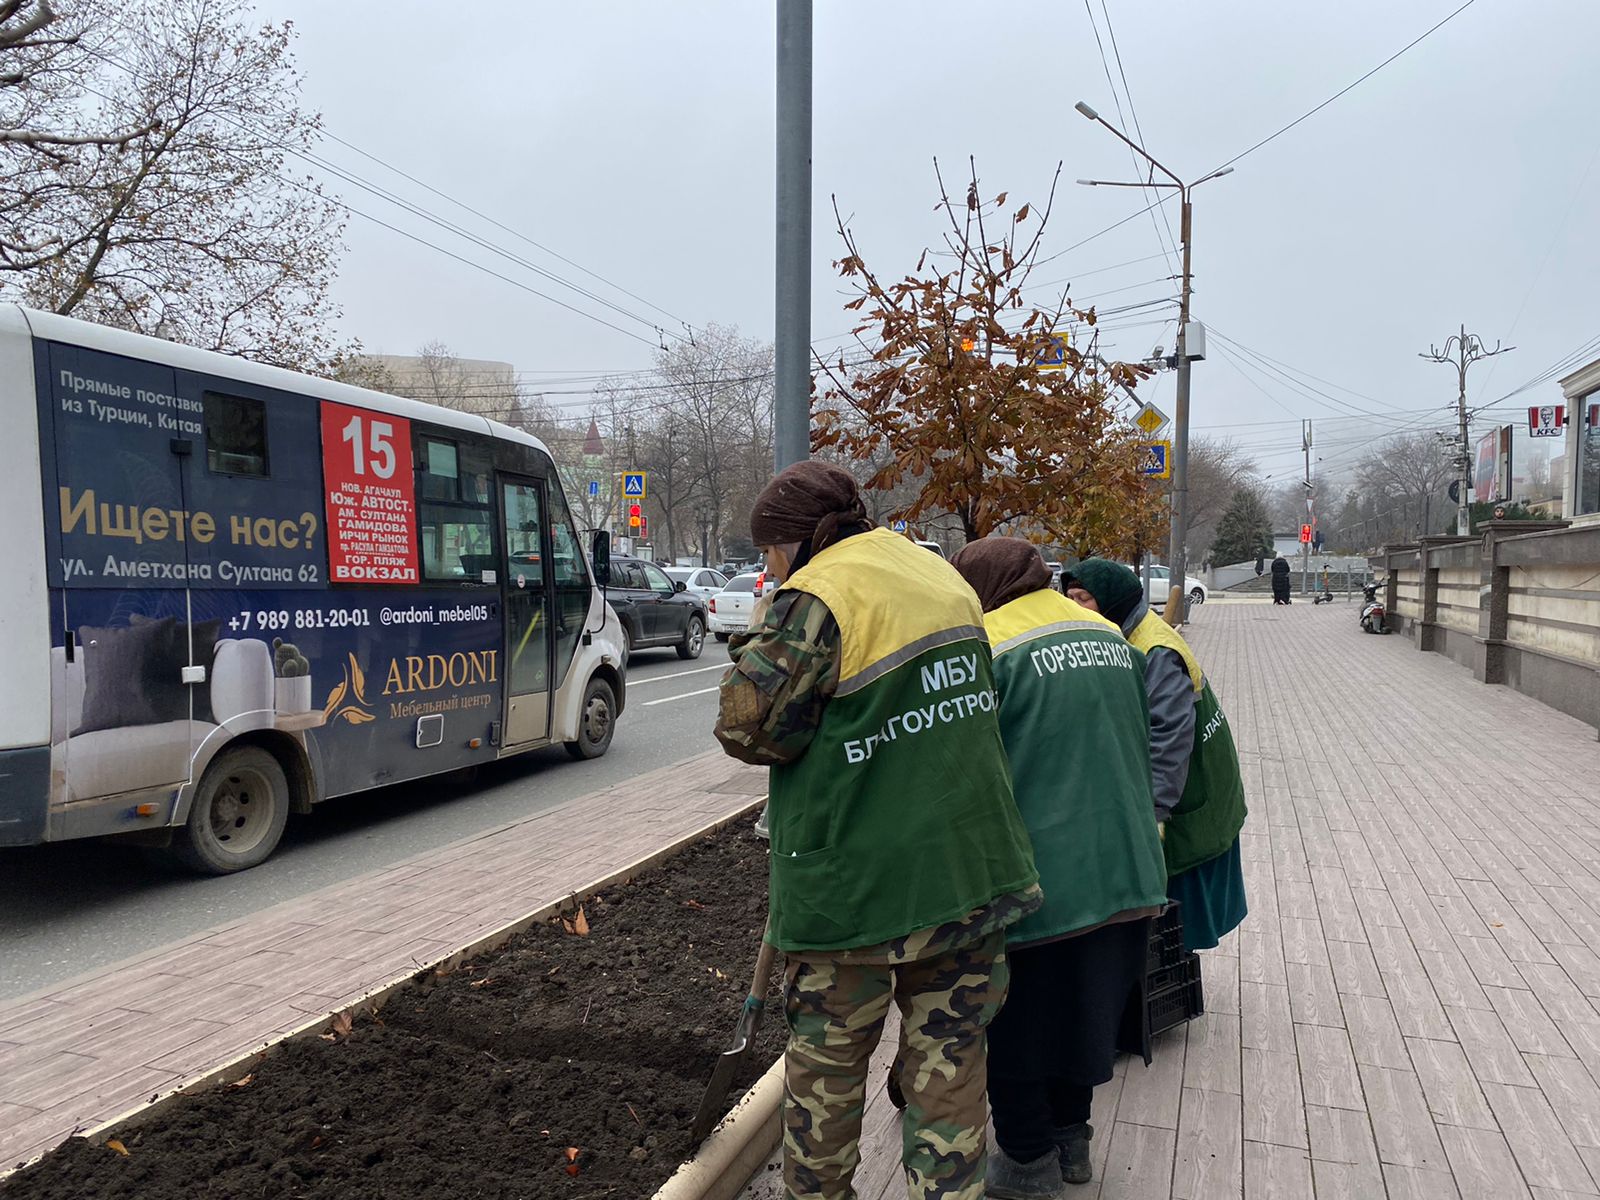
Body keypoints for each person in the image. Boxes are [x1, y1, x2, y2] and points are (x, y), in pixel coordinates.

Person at [714, 461, 1040, 1200]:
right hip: (969, 875)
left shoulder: (819, 595)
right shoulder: (939, 576)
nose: (768, 566)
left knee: (827, 1079)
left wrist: (759, 636)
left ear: (796, 544)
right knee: (950, 1069)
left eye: (769, 552)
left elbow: (749, 728)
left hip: (857, 897)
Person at [949, 539, 1168, 1198]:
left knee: (1017, 1028)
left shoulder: (985, 645)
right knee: (1086, 1013)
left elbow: (969, 772)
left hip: (1041, 879)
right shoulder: (1107, 634)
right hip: (1128, 868)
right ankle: (1073, 1142)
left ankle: (1025, 1165)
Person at [1063, 559, 1248, 955]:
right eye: (1069, 597)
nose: (1074, 606)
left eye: (1083, 598)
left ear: (1113, 601)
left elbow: (1167, 737)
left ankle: (1171, 963)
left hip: (1189, 789)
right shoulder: (1119, 634)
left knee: (1177, 899)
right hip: (1186, 783)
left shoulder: (1156, 649)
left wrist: (1153, 813)